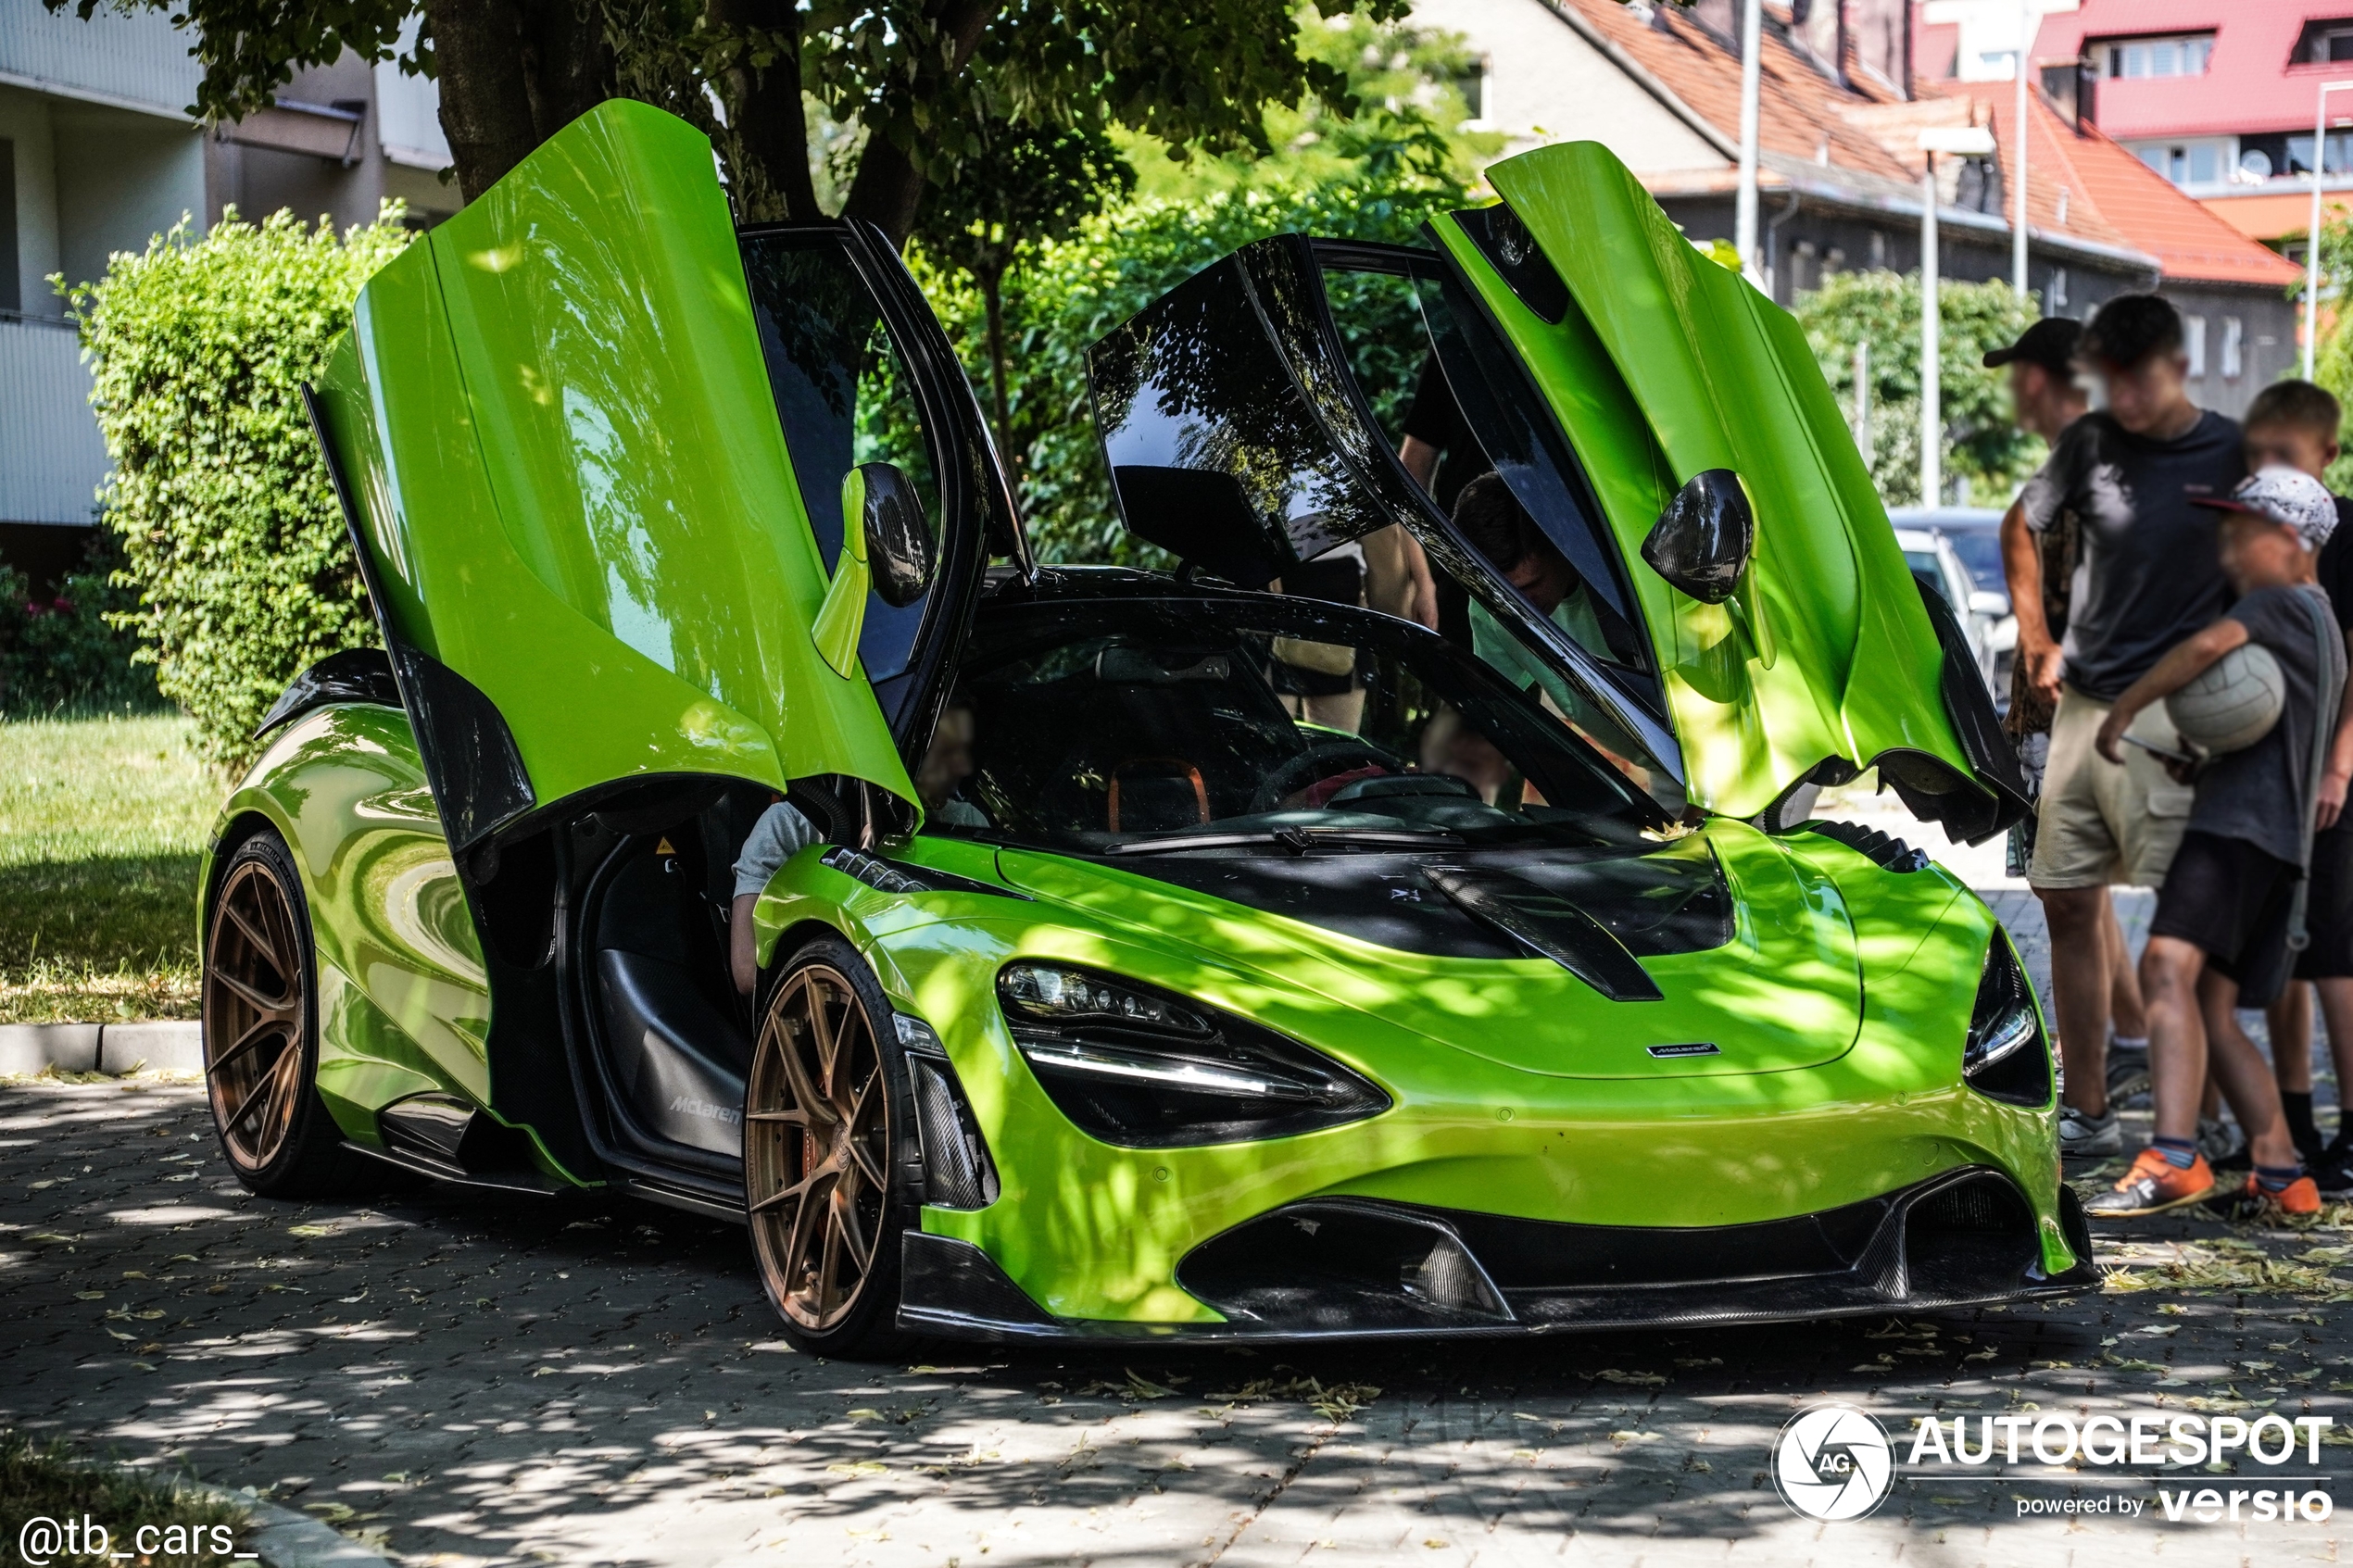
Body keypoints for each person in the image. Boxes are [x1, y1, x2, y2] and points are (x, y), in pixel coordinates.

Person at [2013, 295, 2246, 1160]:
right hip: (2085, 707)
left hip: (2185, 715)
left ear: (2178, 369)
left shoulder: (2230, 451)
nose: (2127, 399)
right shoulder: (2090, 446)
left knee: (2194, 922)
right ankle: (2091, 1109)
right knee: (2068, 901)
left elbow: (2272, 568)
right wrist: (2036, 633)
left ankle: (2217, 1116)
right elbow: (2021, 525)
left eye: (2139, 380)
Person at [2086, 467, 2346, 1220]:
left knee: (2163, 964)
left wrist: (2123, 709)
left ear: (2293, 541)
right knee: (2212, 1000)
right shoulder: (2321, 619)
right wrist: (2202, 760)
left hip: (2236, 832)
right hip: (2273, 839)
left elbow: (2204, 650)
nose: (2227, 545)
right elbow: (2276, 735)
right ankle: (2280, 1172)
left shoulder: (2276, 604)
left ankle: (2172, 1155)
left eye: (2243, 531)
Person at [1988, 318, 2153, 1110]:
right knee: (2078, 898)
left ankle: (2089, 1102)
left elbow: (2020, 529)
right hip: (2064, 707)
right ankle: (2127, 1037)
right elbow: (2020, 529)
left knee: (2067, 900)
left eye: (2017, 373)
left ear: (2046, 378)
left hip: (2079, 711)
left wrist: (2039, 641)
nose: (2011, 390)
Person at [2234, 381, 2353, 1186]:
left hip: (2334, 776)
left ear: (2328, 456)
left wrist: (2342, 759)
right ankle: (2293, 1119)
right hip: (2273, 770)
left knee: (2338, 954)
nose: (2271, 471)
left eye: (2287, 456)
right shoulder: (2257, 538)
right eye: (2259, 455)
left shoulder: (2345, 533)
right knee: (2284, 948)